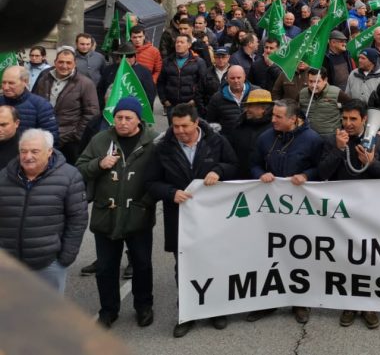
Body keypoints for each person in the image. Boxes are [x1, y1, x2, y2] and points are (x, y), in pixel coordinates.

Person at [144, 103, 237, 336]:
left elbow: (235, 166)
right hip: (180, 218)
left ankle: (216, 309)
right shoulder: (162, 148)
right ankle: (187, 312)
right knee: (184, 266)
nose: (180, 131)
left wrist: (219, 171)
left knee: (213, 262)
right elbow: (151, 183)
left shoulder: (216, 141)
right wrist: (170, 193)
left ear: (196, 123)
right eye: (175, 126)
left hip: (212, 217)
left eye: (185, 126)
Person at [76, 97, 158, 329]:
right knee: (105, 267)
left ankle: (144, 306)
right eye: (118, 117)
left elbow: (162, 173)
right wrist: (98, 164)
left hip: (138, 215)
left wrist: (146, 202)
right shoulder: (101, 139)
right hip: (106, 215)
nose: (122, 122)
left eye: (127, 118)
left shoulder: (152, 142)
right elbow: (80, 167)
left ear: (138, 120)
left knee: (142, 264)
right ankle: (108, 310)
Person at [247, 99, 327, 325]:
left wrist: (307, 176)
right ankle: (268, 300)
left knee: (298, 254)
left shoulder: (313, 140)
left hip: (300, 210)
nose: (272, 120)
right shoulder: (265, 138)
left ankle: (300, 301)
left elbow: (321, 168)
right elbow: (253, 164)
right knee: (270, 253)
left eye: (278, 117)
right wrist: (259, 174)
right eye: (272, 116)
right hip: (270, 209)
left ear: (293, 119)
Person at [328, 100, 380, 329]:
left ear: (364, 120)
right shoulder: (335, 140)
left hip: (369, 210)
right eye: (344, 119)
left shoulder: (377, 141)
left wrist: (371, 162)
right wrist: (338, 150)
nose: (348, 124)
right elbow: (322, 172)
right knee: (347, 259)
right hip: (343, 211)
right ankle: (349, 303)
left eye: (353, 119)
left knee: (369, 259)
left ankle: (369, 304)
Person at [0, 128, 87, 294]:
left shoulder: (69, 176)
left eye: (34, 151)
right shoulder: (4, 177)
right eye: (23, 151)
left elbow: (78, 219)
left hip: (48, 264)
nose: (27, 156)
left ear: (49, 152)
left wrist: (65, 257)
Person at [33, 47, 99, 164]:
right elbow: (35, 103)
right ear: (55, 62)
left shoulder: (85, 83)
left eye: (68, 62)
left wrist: (75, 135)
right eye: (61, 62)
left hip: (69, 142)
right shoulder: (44, 79)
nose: (64, 66)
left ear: (75, 64)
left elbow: (91, 113)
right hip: (43, 137)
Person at [0, 65, 58, 143]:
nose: (6, 87)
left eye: (11, 83)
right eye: (4, 82)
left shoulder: (41, 106)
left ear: (25, 82)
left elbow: (50, 140)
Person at [229, 89, 275, 178]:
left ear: (263, 109)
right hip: (242, 180)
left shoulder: (275, 128)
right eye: (247, 106)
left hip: (266, 181)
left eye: (251, 106)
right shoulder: (239, 125)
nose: (247, 109)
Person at [157, 35, 206, 114]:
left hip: (190, 104)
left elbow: (203, 83)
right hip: (172, 104)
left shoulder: (198, 62)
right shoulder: (167, 61)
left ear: (189, 45)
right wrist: (164, 100)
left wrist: (195, 100)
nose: (178, 44)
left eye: (182, 42)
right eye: (177, 42)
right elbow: (161, 82)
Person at [205, 65, 255, 138]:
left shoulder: (256, 93)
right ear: (227, 79)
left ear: (244, 77)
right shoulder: (217, 98)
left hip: (252, 141)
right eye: (232, 78)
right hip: (228, 142)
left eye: (239, 77)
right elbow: (211, 123)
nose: (236, 81)